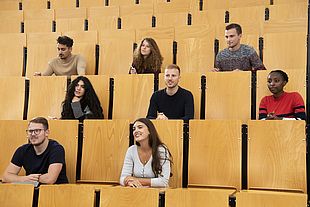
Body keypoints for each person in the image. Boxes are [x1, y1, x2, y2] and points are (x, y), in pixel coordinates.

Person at [2, 117, 68, 184]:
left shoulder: (56, 149)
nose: (33, 134)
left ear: (47, 132)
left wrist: (30, 179)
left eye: (37, 131)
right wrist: (24, 179)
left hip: (55, 191)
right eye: (30, 131)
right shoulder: (22, 150)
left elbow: (50, 179)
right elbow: (5, 177)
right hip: (31, 190)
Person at [120, 118, 172, 188]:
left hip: (156, 193)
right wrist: (128, 181)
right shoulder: (131, 150)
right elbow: (122, 178)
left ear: (149, 131)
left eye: (140, 127)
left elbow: (163, 182)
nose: (136, 131)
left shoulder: (161, 150)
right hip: (137, 192)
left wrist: (134, 180)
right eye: (134, 129)